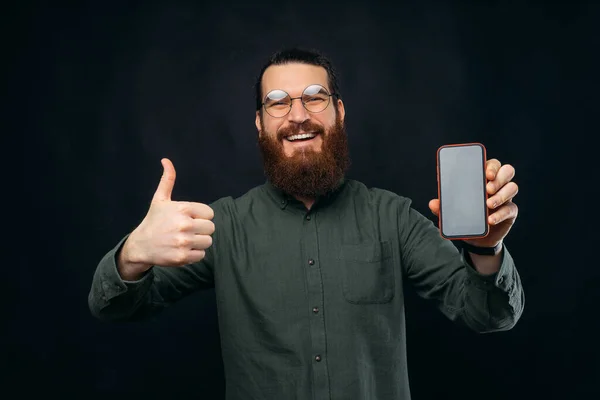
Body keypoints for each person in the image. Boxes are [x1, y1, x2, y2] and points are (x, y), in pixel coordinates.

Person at [88, 47, 525, 400]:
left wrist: (485, 249)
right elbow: (112, 306)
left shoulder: (392, 217)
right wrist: (133, 256)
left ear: (338, 112)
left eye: (314, 97)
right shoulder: (223, 227)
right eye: (277, 102)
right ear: (260, 123)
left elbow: (489, 313)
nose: (298, 115)